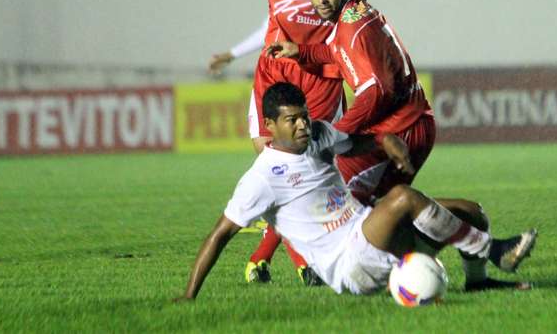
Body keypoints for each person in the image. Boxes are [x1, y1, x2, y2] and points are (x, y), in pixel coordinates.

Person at [107, 0, 490, 283]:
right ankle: (310, 257)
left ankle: (355, 253)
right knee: (276, 170)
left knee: (316, 177)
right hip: (275, 74)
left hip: (324, 77)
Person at [173, 83, 537, 301]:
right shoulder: (262, 177)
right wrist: (190, 295)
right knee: (402, 198)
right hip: (349, 265)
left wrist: (385, 141)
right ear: (269, 126)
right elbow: (220, 234)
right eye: (291, 120)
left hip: (371, 234)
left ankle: (478, 283)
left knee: (470, 211)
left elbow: (357, 143)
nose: (302, 125)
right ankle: (493, 251)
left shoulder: (318, 134)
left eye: (304, 115)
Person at [268, 0, 433, 204]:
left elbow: (376, 90)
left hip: (401, 126)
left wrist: (337, 132)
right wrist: (301, 51)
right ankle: (471, 233)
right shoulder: (354, 11)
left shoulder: (351, 29)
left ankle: (466, 228)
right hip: (413, 122)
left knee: (339, 201)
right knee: (386, 211)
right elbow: (339, 51)